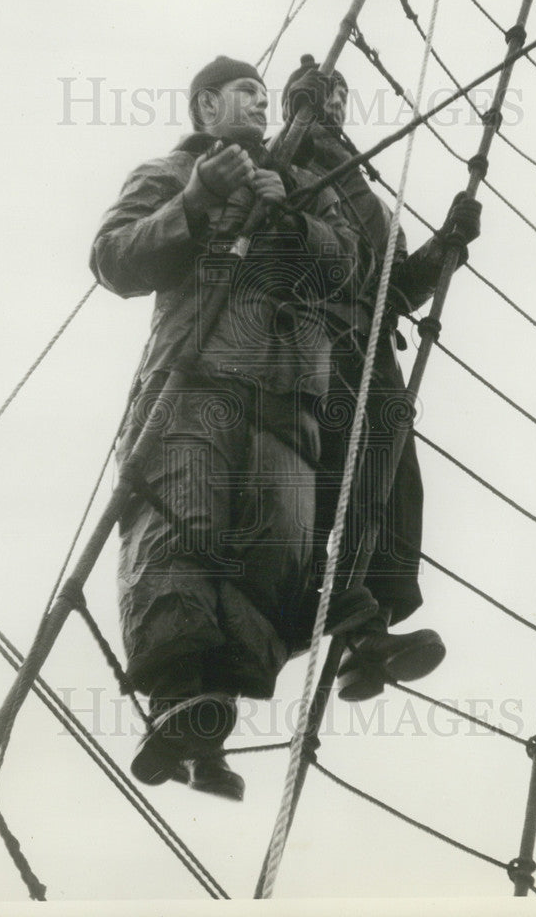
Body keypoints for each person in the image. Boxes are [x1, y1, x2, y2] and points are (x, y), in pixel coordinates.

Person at [90, 56, 376, 800]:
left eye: (261, 91)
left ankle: (203, 732)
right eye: (243, 92)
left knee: (267, 558)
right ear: (206, 107)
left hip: (287, 402)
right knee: (178, 527)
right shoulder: (174, 168)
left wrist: (294, 216)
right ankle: (177, 701)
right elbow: (115, 259)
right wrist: (193, 200)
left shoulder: (295, 181)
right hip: (201, 380)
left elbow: (351, 269)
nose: (258, 100)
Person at [281, 55, 482, 701]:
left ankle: (369, 637)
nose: (334, 106)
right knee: (360, 452)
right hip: (319, 325)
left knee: (399, 483)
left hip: (370, 337)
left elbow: (396, 289)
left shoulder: (365, 192)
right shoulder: (292, 157)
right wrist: (300, 121)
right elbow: (269, 191)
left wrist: (446, 247)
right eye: (320, 97)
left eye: (340, 97)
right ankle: (348, 604)